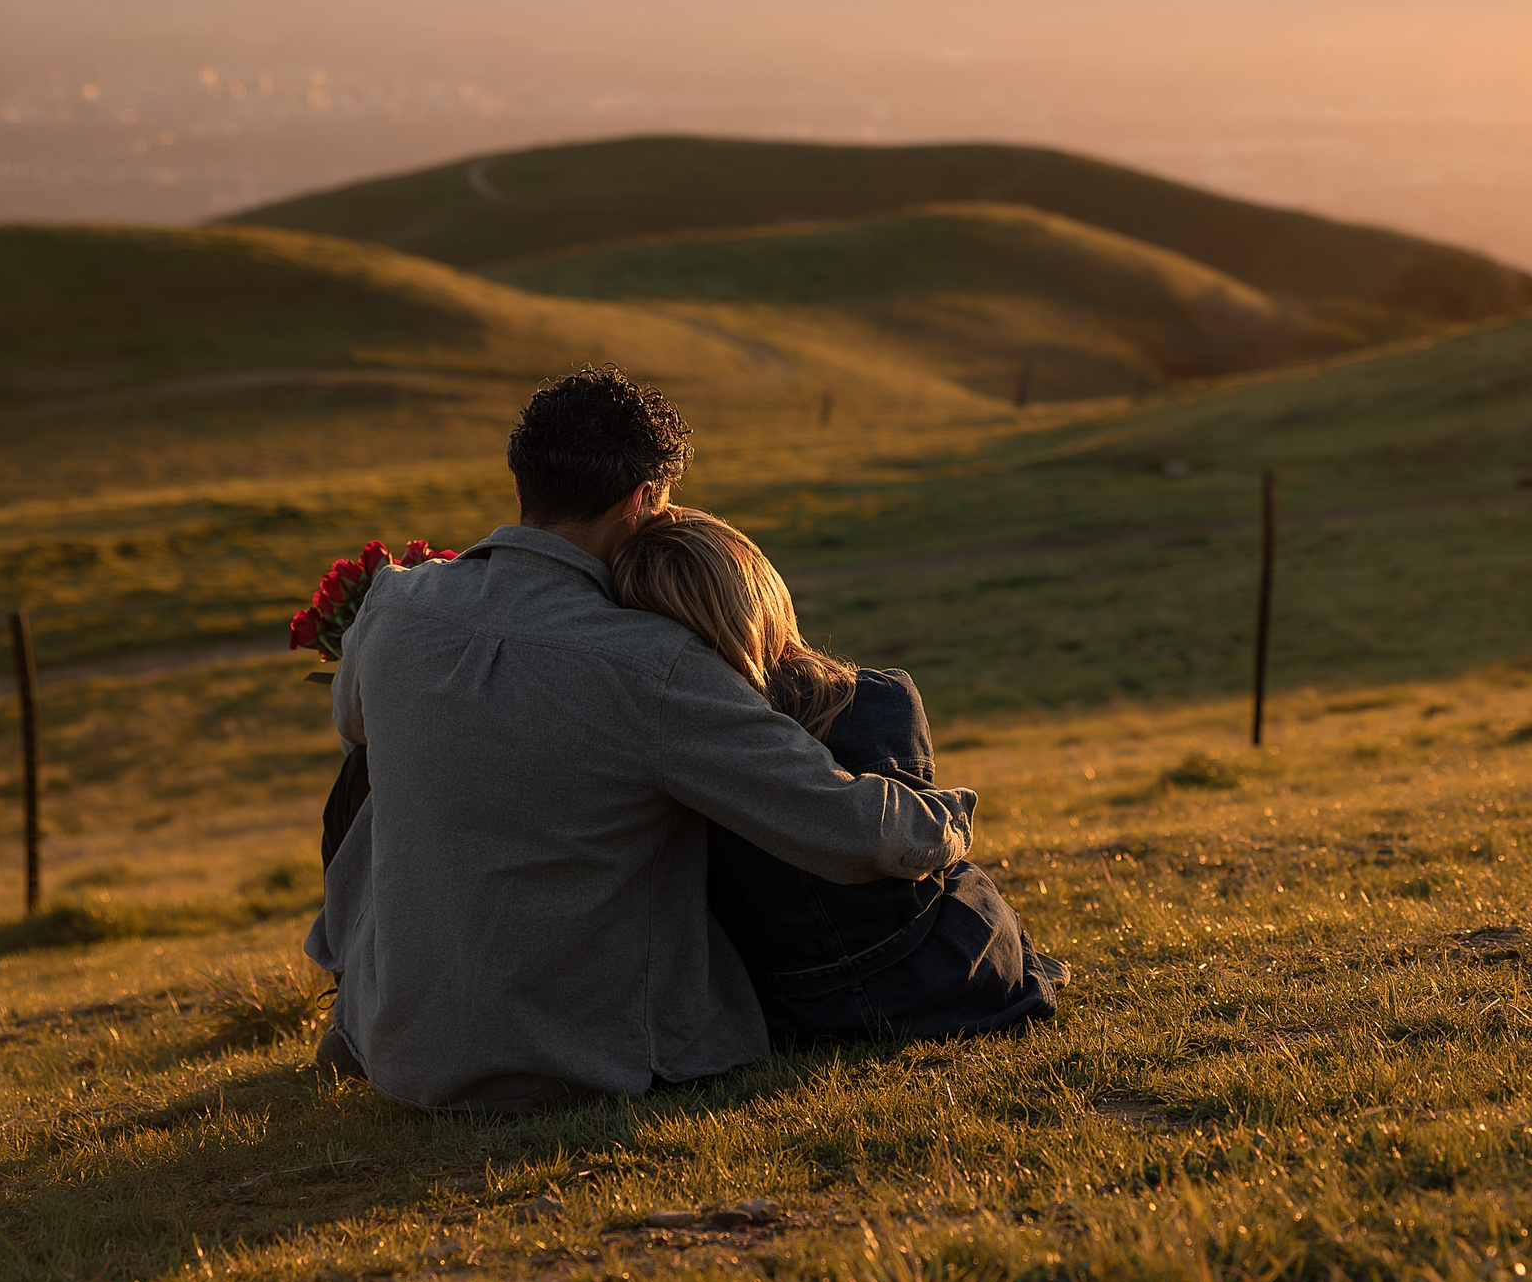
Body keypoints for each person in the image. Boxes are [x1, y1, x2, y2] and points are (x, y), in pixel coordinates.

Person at [304, 367, 979, 1111]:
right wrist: (946, 821)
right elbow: (843, 830)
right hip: (582, 1059)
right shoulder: (653, 666)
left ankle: (373, 1005)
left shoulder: (396, 603)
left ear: (521, 482)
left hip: (401, 1049)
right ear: (641, 500)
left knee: (377, 769)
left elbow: (352, 725)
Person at [610, 508, 1068, 1039]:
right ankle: (1030, 967)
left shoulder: (673, 743)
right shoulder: (881, 698)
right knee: (960, 879)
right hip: (934, 974)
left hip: (786, 1003)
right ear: (761, 596)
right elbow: (918, 867)